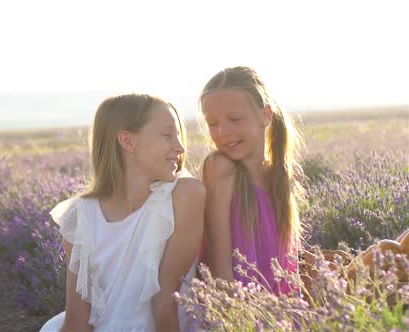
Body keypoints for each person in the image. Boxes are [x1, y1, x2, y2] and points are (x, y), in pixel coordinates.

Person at [40, 94, 205, 331]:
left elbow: (166, 300)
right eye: (168, 135)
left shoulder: (185, 195)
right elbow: (78, 320)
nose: (180, 147)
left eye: (178, 135)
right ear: (127, 142)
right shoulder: (80, 216)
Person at [198, 66, 304, 294]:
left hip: (280, 310)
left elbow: (288, 266)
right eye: (213, 123)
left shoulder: (281, 174)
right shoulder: (221, 169)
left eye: (234, 119)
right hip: (236, 309)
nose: (223, 131)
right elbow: (219, 258)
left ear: (265, 114)